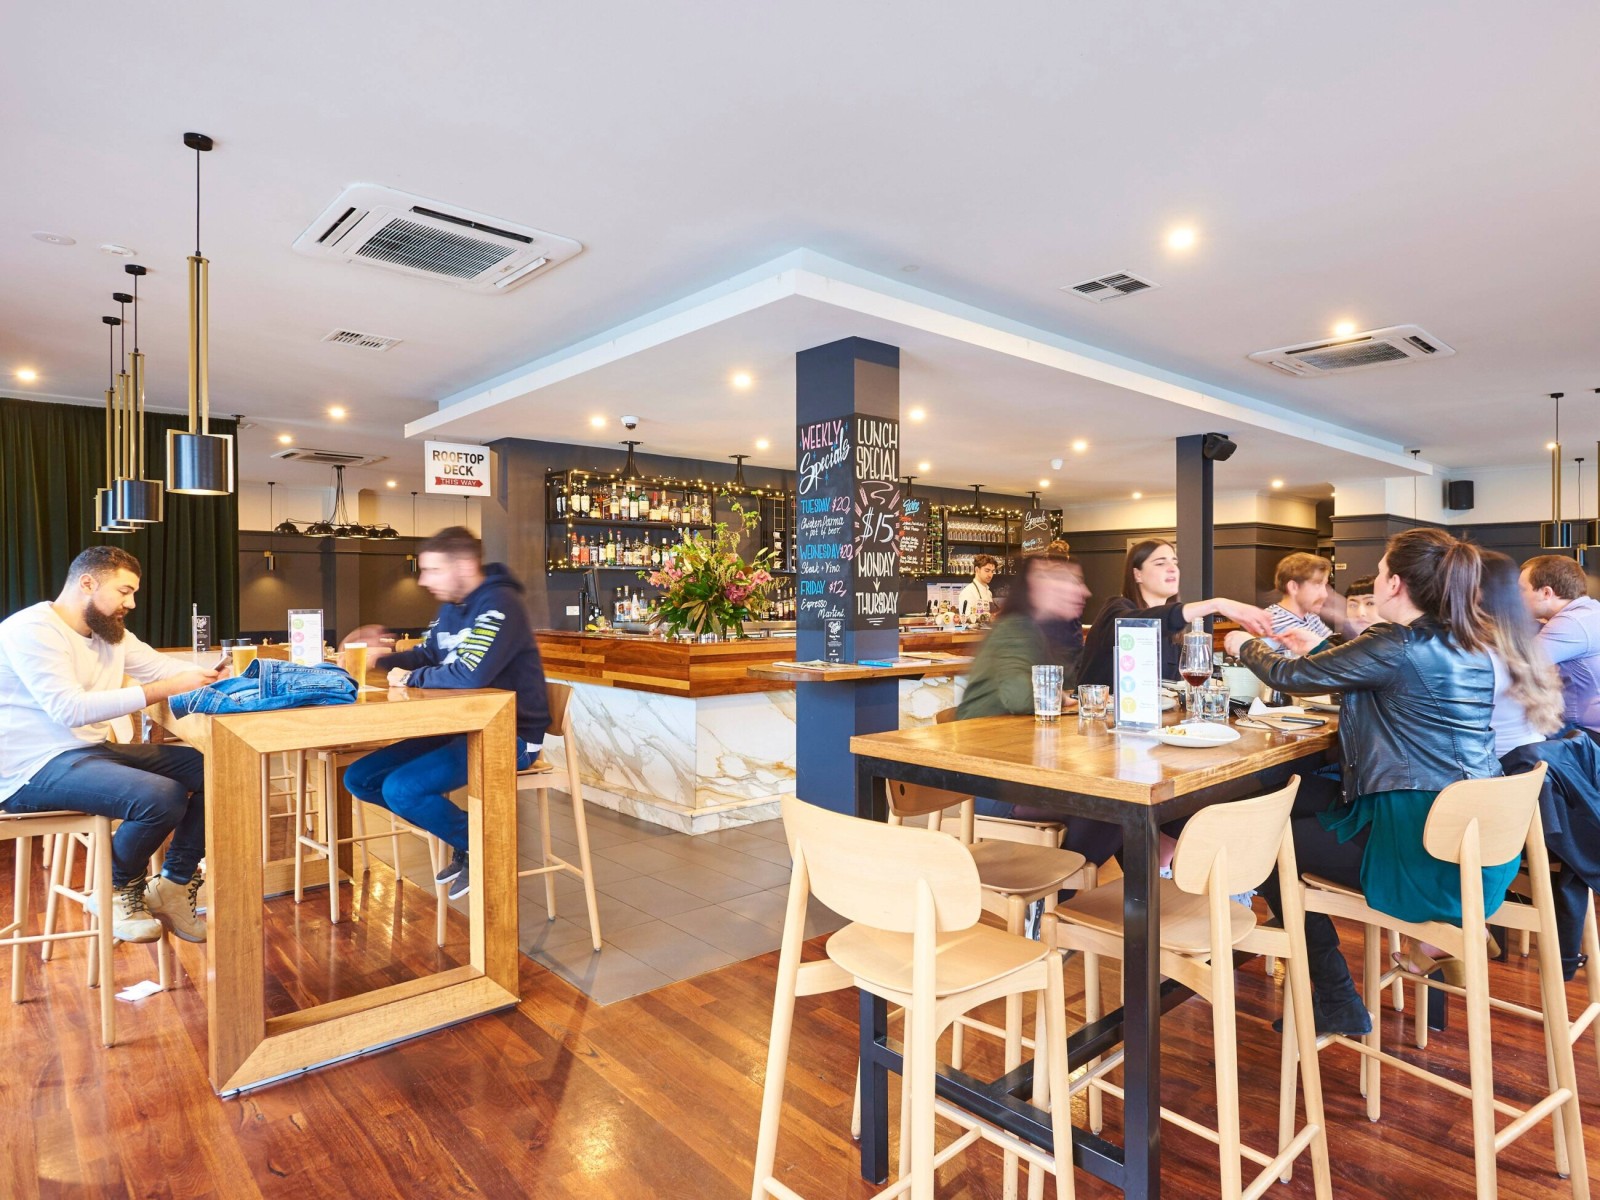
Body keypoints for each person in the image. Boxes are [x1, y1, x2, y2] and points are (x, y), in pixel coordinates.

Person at [1226, 528, 1504, 1035]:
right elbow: (1392, 678)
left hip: (1421, 849)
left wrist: (1244, 644)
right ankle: (1322, 967)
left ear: (1395, 584)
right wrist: (1320, 646)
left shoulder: (1396, 641)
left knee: (1261, 841)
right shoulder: (1468, 641)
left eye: (1378, 572)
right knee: (1273, 801)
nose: (1374, 581)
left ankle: (1336, 998)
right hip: (1472, 841)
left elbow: (1290, 677)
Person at [0, 546, 221, 943]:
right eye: (124, 591)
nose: (131, 603)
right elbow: (69, 709)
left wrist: (222, 672)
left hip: (87, 753)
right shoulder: (32, 630)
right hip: (28, 769)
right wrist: (166, 688)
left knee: (215, 767)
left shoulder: (109, 632)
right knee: (161, 796)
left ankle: (173, 884)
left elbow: (160, 667)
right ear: (87, 583)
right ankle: (116, 891)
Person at [340, 528, 550, 900]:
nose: (424, 580)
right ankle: (470, 839)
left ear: (464, 566)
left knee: (402, 789)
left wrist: (409, 677)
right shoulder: (450, 608)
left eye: (433, 570)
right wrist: (381, 658)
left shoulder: (500, 604)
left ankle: (483, 842)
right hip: (459, 727)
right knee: (360, 778)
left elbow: (470, 674)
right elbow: (428, 654)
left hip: (508, 735)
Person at [956, 554, 1122, 864]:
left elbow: (1051, 693)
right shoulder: (1016, 628)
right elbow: (1019, 696)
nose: (1084, 591)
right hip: (991, 785)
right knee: (1112, 804)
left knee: (1118, 799)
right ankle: (1062, 885)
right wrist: (1061, 695)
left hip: (1018, 772)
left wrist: (1065, 695)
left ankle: (1070, 881)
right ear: (1040, 585)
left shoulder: (1046, 631)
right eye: (1072, 582)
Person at [1077, 538, 1272, 687]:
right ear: (1138, 574)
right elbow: (1138, 625)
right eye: (1160, 563)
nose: (1172, 569)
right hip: (1099, 721)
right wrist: (1216, 604)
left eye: (1174, 562)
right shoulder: (1115, 610)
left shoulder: (1173, 632)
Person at [1519, 554, 1600, 738]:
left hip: (1588, 735)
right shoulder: (1590, 611)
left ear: (1546, 593)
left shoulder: (1571, 623)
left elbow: (1520, 664)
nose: (1517, 597)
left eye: (1522, 590)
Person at [1264, 553, 1333, 652]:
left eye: (1324, 585)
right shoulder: (1272, 623)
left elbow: (1334, 650)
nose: (1324, 594)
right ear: (1293, 587)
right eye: (1317, 585)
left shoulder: (1310, 617)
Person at [957, 554, 997, 620]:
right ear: (977, 570)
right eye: (987, 571)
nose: (990, 575)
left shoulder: (988, 592)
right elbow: (966, 620)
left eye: (992, 571)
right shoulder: (968, 592)